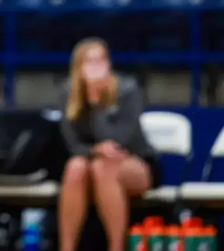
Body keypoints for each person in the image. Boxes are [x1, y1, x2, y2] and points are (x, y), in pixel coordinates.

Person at [57, 38, 159, 251]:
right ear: (78, 67)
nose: (97, 66)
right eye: (90, 61)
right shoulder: (68, 93)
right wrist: (94, 149)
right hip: (90, 163)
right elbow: (72, 145)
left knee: (103, 167)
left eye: (101, 59)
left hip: (134, 161)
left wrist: (97, 102)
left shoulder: (128, 90)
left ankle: (116, 247)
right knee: (75, 167)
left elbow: (119, 142)